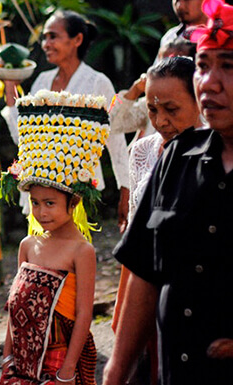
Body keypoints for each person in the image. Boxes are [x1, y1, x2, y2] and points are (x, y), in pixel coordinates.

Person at [103, 1, 233, 383]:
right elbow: (143, 274)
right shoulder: (178, 156)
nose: (209, 82)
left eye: (228, 66)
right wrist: (115, 372)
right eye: (204, 65)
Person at [0, 90, 111, 385]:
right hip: (21, 358)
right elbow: (15, 307)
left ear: (73, 203)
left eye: (50, 203)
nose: (41, 212)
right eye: (35, 203)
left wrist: (67, 369)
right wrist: (7, 356)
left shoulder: (81, 251)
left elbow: (84, 315)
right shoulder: (28, 245)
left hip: (60, 357)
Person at [111, 55, 202, 385]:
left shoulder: (218, 155)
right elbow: (138, 236)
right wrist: (124, 307)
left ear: (200, 100)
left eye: (172, 110)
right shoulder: (144, 151)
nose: (161, 121)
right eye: (153, 110)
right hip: (147, 288)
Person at [2, 10, 130, 231]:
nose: (45, 43)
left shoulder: (97, 82)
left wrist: (126, 192)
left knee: (72, 256)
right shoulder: (42, 81)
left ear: (77, 40)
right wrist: (10, 84)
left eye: (53, 36)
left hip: (77, 189)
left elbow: (116, 142)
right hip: (39, 186)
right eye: (44, 37)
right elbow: (21, 137)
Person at [110, 38, 197, 156]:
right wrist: (135, 90)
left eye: (171, 109)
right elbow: (113, 124)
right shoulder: (150, 104)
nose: (160, 122)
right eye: (161, 62)